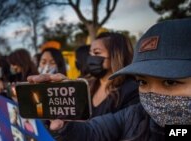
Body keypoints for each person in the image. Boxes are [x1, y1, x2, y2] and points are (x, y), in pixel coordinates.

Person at [27, 18, 191, 140]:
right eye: (143, 81)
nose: (153, 93)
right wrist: (66, 122)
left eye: (170, 81)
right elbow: (93, 132)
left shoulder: (128, 94)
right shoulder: (135, 116)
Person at [85, 32, 138, 117]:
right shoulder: (88, 85)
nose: (91, 58)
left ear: (115, 55)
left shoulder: (130, 90)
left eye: (97, 53)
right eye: (90, 53)